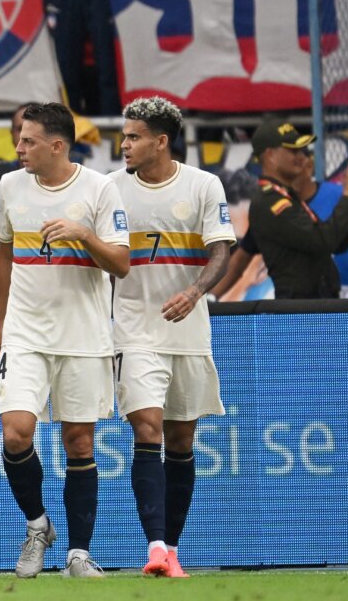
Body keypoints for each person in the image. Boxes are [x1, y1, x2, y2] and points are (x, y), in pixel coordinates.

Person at [0, 101, 129, 579]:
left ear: (57, 144)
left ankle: (77, 554)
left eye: (27, 140)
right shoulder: (10, 185)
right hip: (25, 333)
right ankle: (37, 526)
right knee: (15, 433)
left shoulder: (100, 188)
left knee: (78, 442)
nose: (19, 148)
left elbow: (121, 263)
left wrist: (84, 235)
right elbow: (5, 256)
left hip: (85, 335)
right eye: (18, 138)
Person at [110, 97, 234, 578]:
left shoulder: (204, 185)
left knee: (182, 440)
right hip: (134, 330)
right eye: (124, 136)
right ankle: (155, 548)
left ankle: (173, 550)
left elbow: (220, 250)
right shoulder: (109, 188)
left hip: (189, 331)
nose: (124, 145)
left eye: (134, 137)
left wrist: (196, 291)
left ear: (161, 142)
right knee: (147, 430)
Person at [247, 120, 348, 299]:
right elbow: (324, 241)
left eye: (302, 150)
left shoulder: (286, 196)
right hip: (301, 310)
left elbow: (337, 243)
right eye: (293, 150)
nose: (301, 156)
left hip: (314, 305)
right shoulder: (271, 203)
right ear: (271, 155)